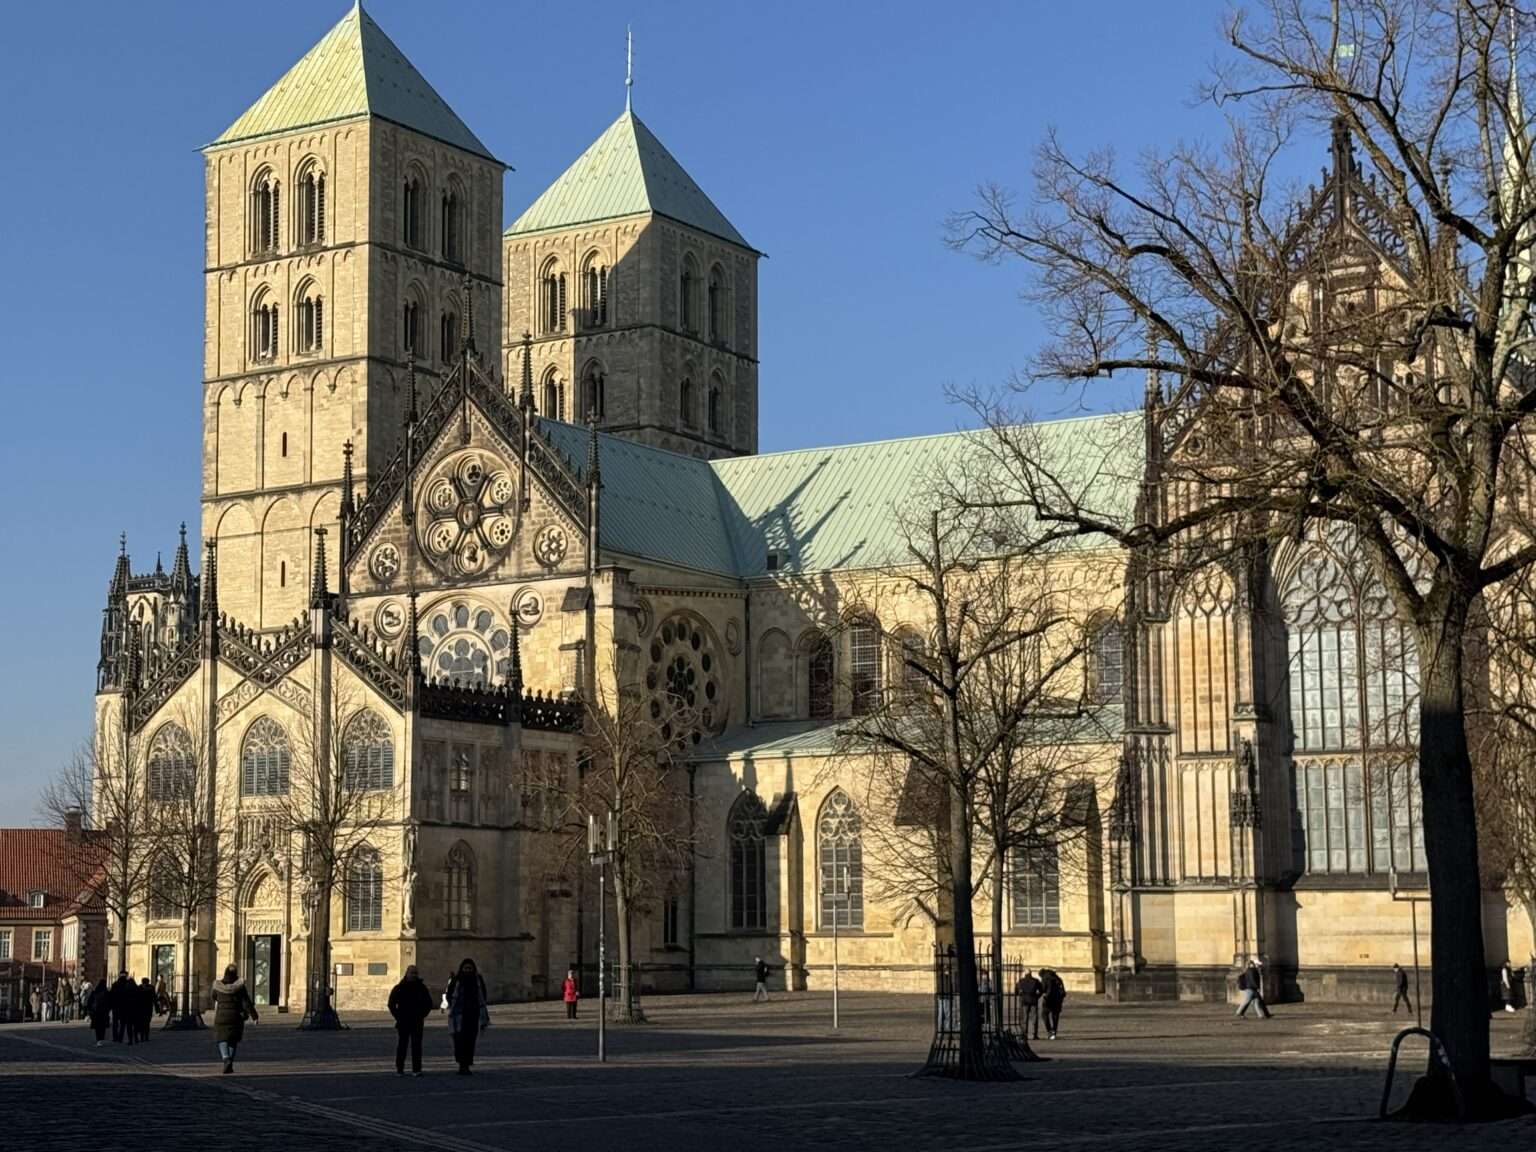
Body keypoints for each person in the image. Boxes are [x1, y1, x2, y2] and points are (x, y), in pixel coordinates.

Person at [387, 965, 434, 1077]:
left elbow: (428, 1003)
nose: (414, 975)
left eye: (415, 973)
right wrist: (398, 1016)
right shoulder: (399, 988)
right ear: (407, 973)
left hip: (417, 1020)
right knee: (402, 1045)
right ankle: (400, 1068)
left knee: (416, 1045)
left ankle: (416, 1069)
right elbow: (391, 1004)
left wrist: (422, 1015)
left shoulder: (422, 988)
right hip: (403, 1020)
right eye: (412, 973)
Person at [210, 964, 258, 1074]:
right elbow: (246, 1002)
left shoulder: (218, 986)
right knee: (233, 1040)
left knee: (222, 1039)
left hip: (221, 1017)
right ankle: (230, 1062)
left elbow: (213, 997)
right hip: (235, 1017)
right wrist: (254, 1016)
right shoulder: (239, 987)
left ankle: (226, 1059)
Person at [446, 958, 489, 1075]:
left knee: (471, 1040)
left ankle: (467, 1063)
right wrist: (452, 1005)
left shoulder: (477, 980)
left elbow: (483, 995)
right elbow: (449, 994)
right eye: (466, 968)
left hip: (473, 1014)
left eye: (470, 968)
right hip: (459, 1015)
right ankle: (462, 1064)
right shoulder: (457, 980)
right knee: (459, 1040)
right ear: (462, 969)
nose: (468, 970)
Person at [1015, 968, 1043, 1040]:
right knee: (1034, 1018)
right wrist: (1037, 996)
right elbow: (1041, 990)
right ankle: (1034, 1034)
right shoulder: (1035, 981)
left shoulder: (1021, 981)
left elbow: (1016, 991)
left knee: (1024, 1018)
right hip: (1033, 1000)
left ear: (1025, 973)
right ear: (1031, 973)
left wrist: (1020, 995)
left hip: (1024, 1001)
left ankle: (1024, 1034)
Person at [1040, 968, 1067, 1038]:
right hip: (1057, 1001)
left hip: (1048, 1000)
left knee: (1044, 1015)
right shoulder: (1058, 979)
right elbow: (1063, 991)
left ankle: (1049, 1031)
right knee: (1055, 1017)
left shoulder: (1045, 978)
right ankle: (1054, 1031)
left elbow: (1042, 989)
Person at [109, 970, 134, 1042]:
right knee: (123, 1023)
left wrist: (111, 1005)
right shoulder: (127, 984)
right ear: (126, 975)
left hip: (116, 1006)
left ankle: (115, 1037)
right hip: (125, 1006)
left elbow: (111, 995)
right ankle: (120, 1038)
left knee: (115, 1023)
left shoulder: (115, 984)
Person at [87, 978, 111, 1046]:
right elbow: (110, 1002)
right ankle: (101, 1039)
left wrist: (90, 1010)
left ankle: (98, 1040)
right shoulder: (107, 993)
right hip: (104, 1012)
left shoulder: (95, 992)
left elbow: (89, 1002)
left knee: (97, 1027)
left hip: (96, 1012)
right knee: (102, 1027)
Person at [137, 977, 156, 1041]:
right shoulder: (151, 988)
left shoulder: (139, 988)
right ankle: (146, 1037)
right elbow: (154, 998)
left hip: (140, 1008)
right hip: (148, 1007)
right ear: (148, 982)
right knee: (147, 1023)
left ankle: (142, 1037)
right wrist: (156, 1007)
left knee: (142, 1022)